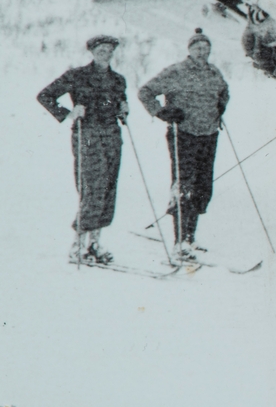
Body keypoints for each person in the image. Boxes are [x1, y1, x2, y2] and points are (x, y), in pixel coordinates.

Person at [138, 29, 230, 261]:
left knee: (202, 187)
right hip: (184, 134)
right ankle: (179, 242)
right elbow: (145, 92)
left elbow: (224, 92)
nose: (202, 52)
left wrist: (220, 107)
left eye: (206, 48)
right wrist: (160, 111)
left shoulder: (213, 71)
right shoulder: (176, 71)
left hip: (208, 134)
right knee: (184, 185)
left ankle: (190, 237)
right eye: (197, 48)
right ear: (189, 49)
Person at [37, 35, 129, 264]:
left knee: (108, 188)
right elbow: (45, 95)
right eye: (101, 49)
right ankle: (77, 244)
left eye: (109, 49)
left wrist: (122, 109)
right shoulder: (77, 75)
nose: (105, 53)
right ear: (92, 51)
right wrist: (68, 112)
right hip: (87, 134)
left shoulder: (118, 80)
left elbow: (113, 103)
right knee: (93, 186)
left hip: (111, 135)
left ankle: (95, 243)